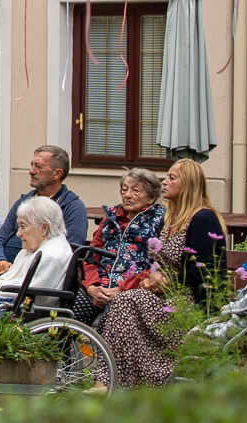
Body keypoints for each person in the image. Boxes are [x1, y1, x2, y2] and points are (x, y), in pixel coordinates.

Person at [96, 160, 225, 386]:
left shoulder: (203, 219)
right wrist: (153, 278)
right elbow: (160, 264)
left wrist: (165, 282)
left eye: (172, 178)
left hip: (189, 305)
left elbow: (203, 272)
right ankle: (118, 383)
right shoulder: (172, 218)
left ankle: (117, 383)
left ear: (189, 183)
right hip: (165, 297)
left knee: (124, 303)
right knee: (122, 304)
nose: (165, 182)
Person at [75, 168, 167, 324]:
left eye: (136, 191)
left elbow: (158, 267)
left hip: (132, 292)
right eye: (124, 190)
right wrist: (92, 286)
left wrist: (120, 290)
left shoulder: (159, 222)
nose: (127, 195)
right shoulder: (110, 220)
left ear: (151, 198)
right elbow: (91, 257)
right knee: (69, 319)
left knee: (110, 322)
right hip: (99, 288)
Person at [0, 146, 88, 275]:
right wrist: (0, 261)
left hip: (34, 275)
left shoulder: (73, 207)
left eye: (38, 167)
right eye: (32, 165)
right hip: (4, 271)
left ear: (57, 174)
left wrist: (20, 269)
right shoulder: (24, 202)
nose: (31, 171)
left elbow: (66, 252)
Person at [0, 196, 75, 300]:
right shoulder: (34, 248)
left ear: (44, 228)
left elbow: (26, 298)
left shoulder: (49, 256)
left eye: (23, 226)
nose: (18, 234)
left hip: (16, 305)